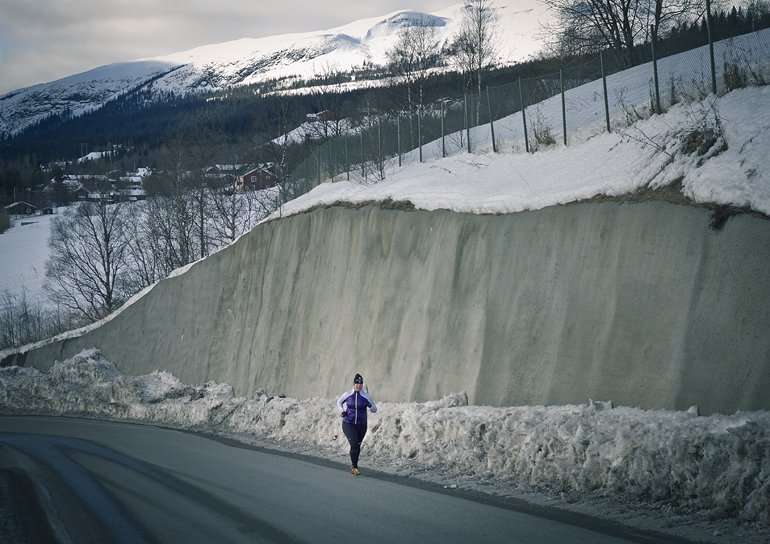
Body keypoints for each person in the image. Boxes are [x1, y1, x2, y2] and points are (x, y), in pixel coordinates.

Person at [336, 373, 377, 476]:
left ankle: (355, 465)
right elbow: (338, 402)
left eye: (361, 383)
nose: (359, 385)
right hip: (348, 423)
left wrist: (371, 406)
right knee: (354, 443)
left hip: (362, 425)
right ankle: (354, 467)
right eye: (357, 383)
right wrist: (342, 411)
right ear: (354, 384)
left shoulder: (366, 396)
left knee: (357, 446)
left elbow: (374, 409)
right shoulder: (347, 394)